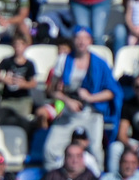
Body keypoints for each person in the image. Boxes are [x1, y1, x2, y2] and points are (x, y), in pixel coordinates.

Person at [42, 28, 120, 171]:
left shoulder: (100, 63)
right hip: (68, 112)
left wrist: (91, 97)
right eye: (78, 37)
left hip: (92, 112)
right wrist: (66, 100)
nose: (81, 41)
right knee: (51, 149)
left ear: (90, 41)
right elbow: (51, 90)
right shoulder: (64, 60)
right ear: (73, 40)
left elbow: (112, 92)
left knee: (95, 151)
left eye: (85, 38)